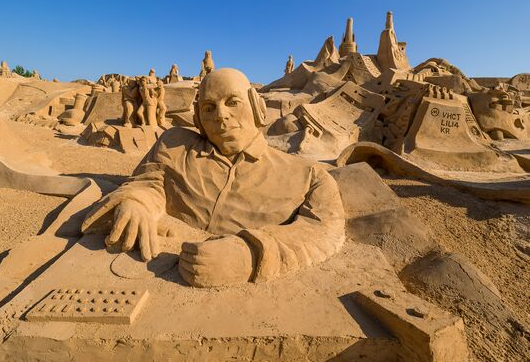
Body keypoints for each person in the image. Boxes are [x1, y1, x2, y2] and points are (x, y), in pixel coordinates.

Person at [82, 68, 344, 287]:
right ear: (197, 118)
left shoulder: (307, 176)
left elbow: (323, 230)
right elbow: (150, 182)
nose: (220, 115)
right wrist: (137, 202)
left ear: (256, 106)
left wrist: (251, 254)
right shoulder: (175, 145)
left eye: (232, 102)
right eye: (209, 108)